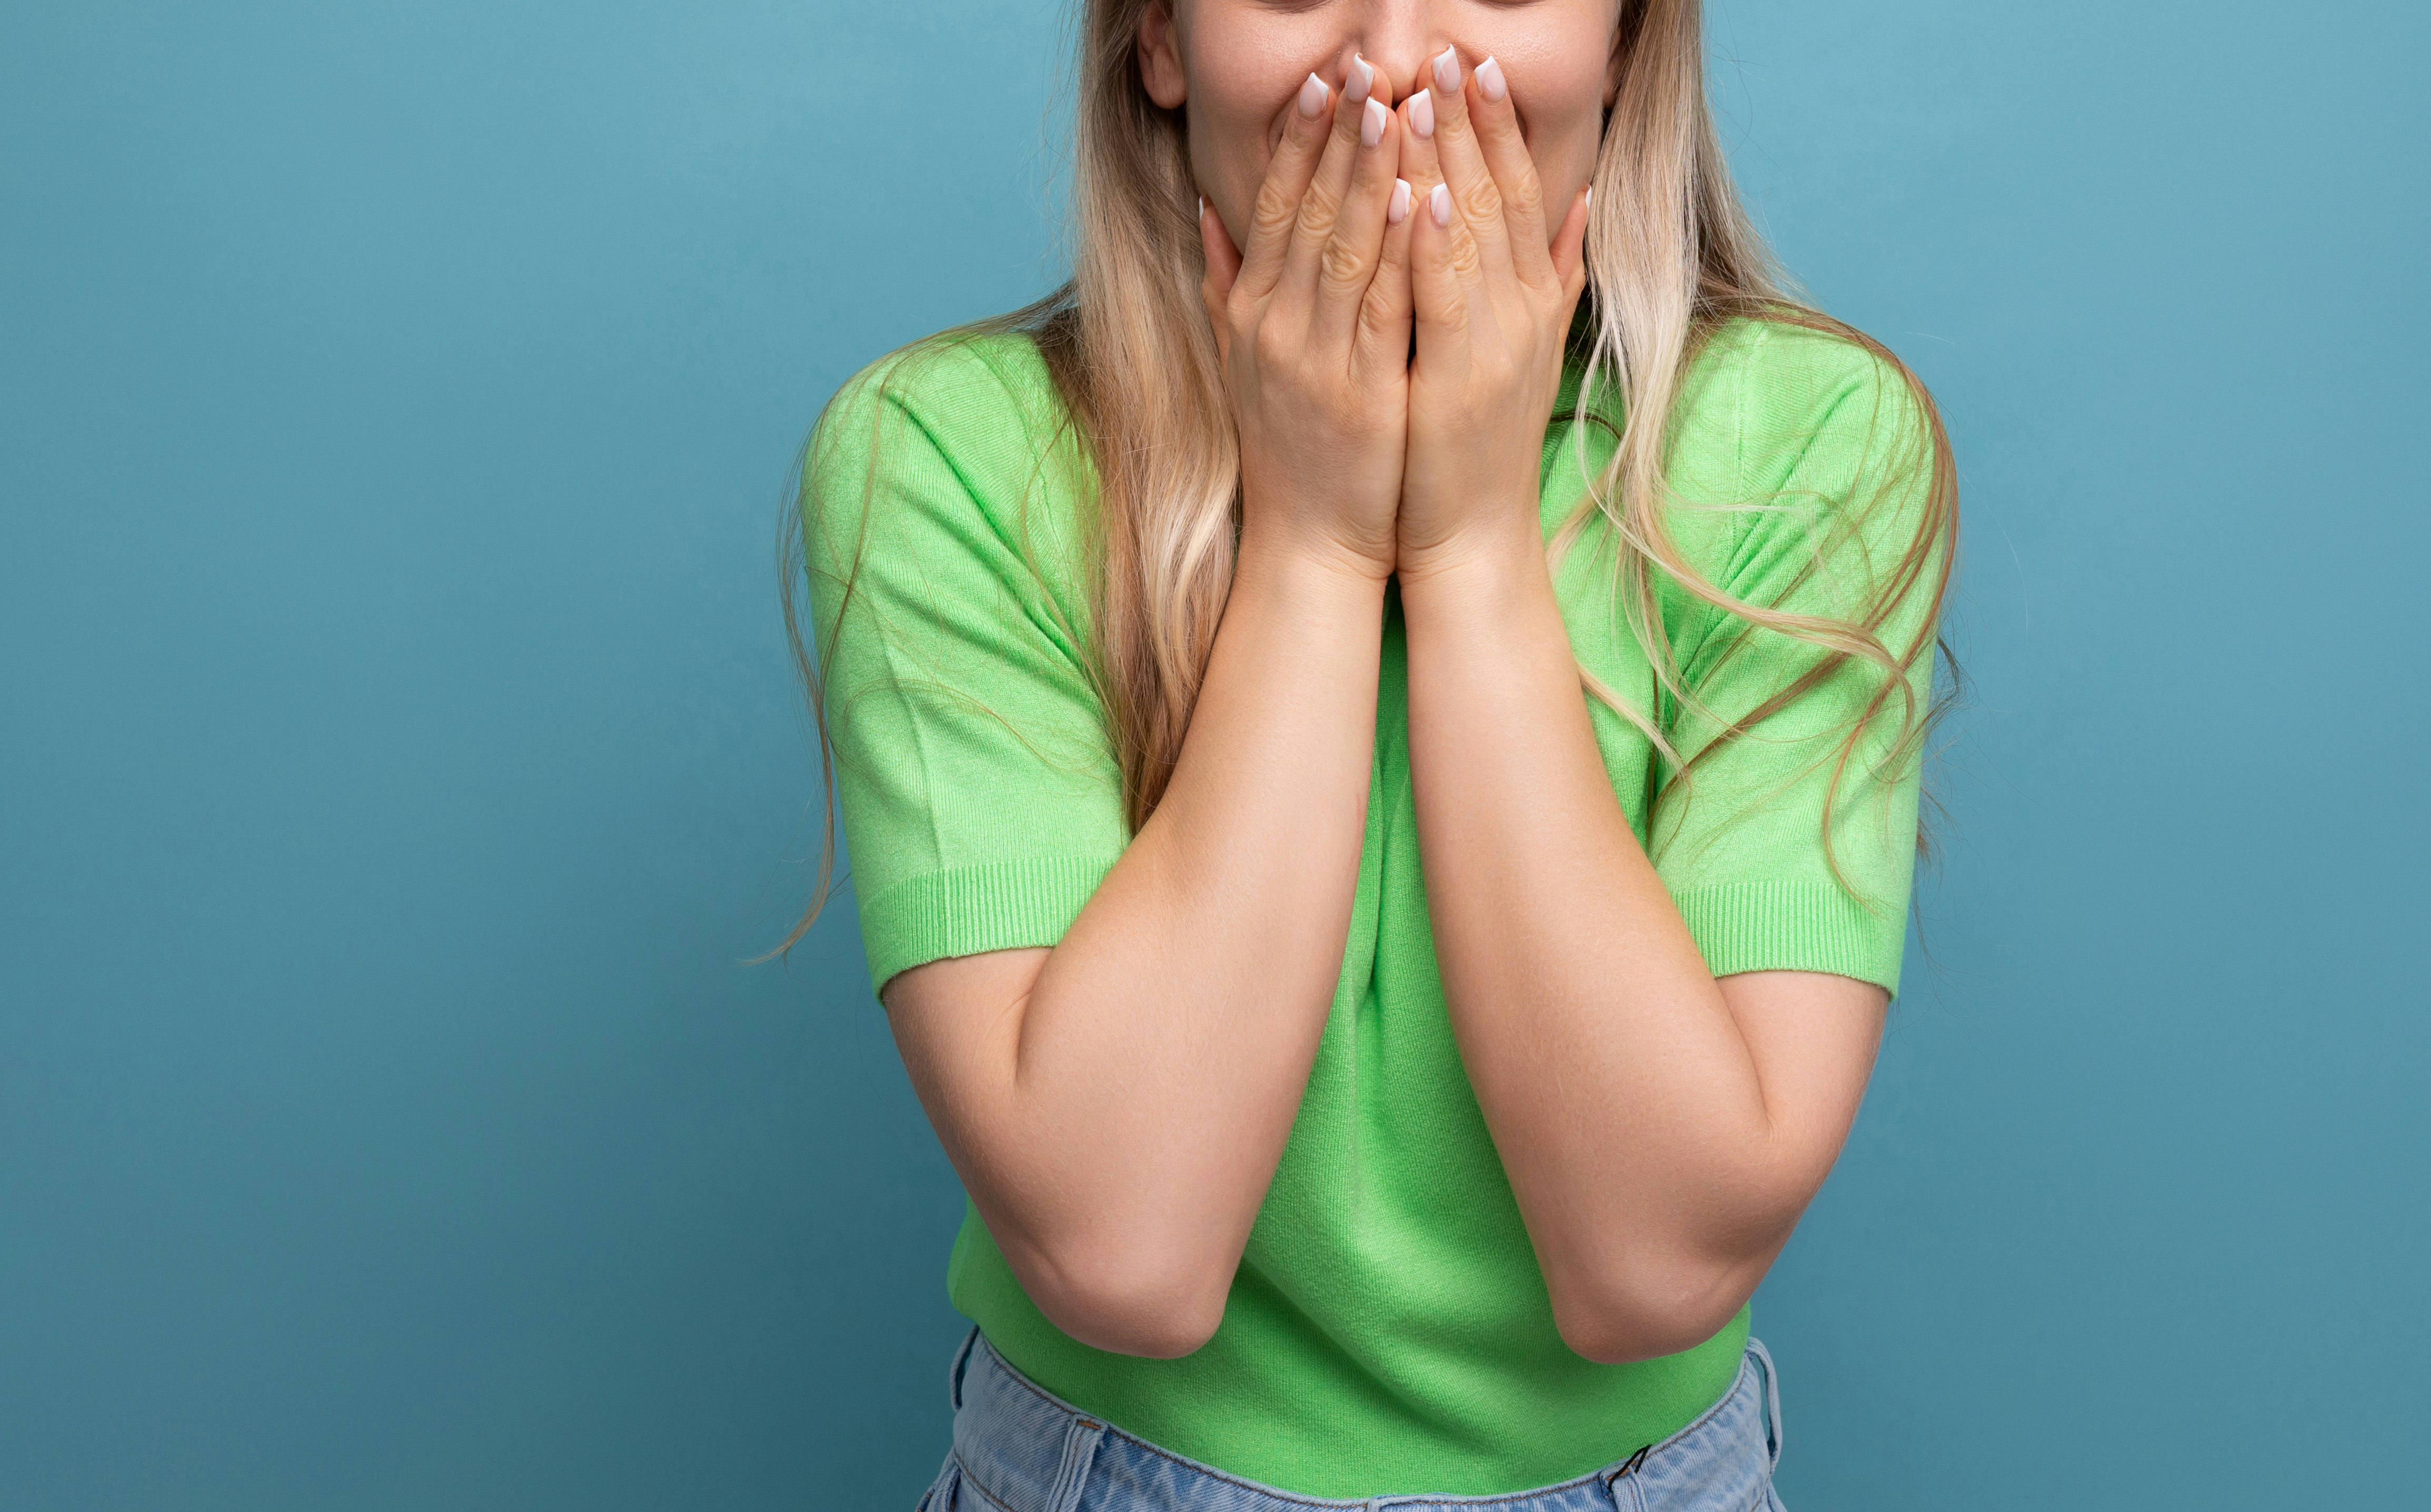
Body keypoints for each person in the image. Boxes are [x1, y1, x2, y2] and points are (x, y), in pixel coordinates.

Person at [780, 1, 1956, 1506]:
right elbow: (1118, 1247)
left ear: (1626, 44)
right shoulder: (940, 457)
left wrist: (1468, 546)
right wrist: (1322, 541)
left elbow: (1653, 1263)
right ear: (1157, 39)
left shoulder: (1818, 448)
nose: (1396, 57)